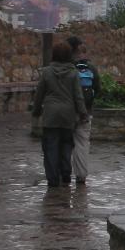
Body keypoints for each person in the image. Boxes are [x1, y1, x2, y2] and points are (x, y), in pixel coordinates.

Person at [32, 40, 87, 188]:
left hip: (50, 115)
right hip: (68, 115)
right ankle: (66, 174)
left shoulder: (47, 72)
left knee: (50, 146)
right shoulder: (73, 73)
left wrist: (36, 111)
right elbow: (78, 96)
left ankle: (52, 179)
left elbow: (39, 94)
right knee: (66, 146)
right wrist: (83, 113)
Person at [67, 36, 101, 186]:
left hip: (67, 112)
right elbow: (98, 89)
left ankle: (64, 174)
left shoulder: (66, 67)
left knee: (65, 143)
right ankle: (81, 176)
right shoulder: (91, 68)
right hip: (86, 112)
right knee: (82, 143)